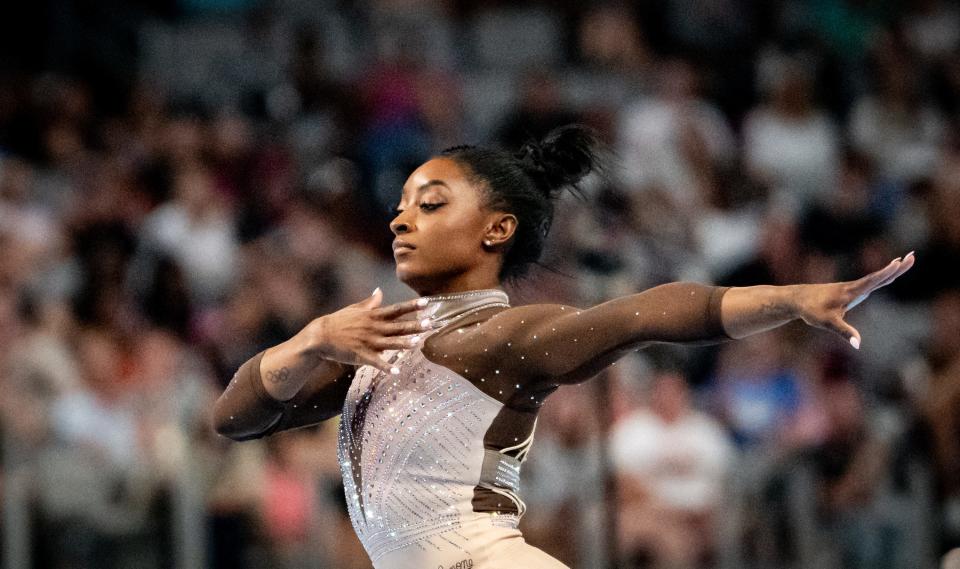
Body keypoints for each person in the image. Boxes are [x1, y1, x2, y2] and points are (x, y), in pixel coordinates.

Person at [212, 125, 914, 569]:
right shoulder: (381, 339)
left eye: (430, 204)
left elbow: (648, 313)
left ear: (495, 230)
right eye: (400, 203)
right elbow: (236, 417)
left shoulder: (502, 335)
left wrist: (791, 298)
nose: (401, 217)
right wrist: (311, 340)